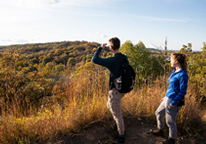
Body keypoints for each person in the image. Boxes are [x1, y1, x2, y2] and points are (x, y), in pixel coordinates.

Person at [92, 37, 128, 144]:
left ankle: (121, 136)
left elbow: (94, 59)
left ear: (111, 47)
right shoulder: (124, 57)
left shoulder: (112, 60)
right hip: (122, 88)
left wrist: (100, 48)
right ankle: (118, 125)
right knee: (109, 105)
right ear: (119, 46)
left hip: (115, 91)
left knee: (118, 115)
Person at [147, 53, 188, 144]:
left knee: (170, 122)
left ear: (176, 61)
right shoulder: (174, 71)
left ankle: (171, 140)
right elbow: (172, 86)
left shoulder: (183, 75)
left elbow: (183, 92)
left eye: (171, 60)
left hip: (174, 101)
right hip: (168, 98)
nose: (170, 61)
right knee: (158, 113)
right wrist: (165, 96)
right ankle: (160, 130)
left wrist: (173, 102)